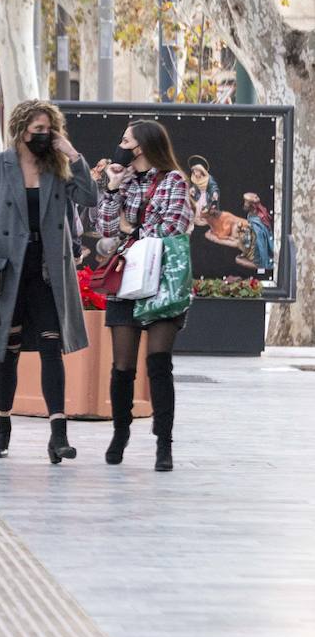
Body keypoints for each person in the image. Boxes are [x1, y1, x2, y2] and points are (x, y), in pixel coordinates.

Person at [0, 100, 96, 462]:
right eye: (37, 130)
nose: (43, 136)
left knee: (51, 346)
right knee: (7, 353)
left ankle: (58, 434)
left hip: (47, 270)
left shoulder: (57, 167)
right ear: (21, 129)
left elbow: (91, 197)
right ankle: (2, 425)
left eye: (49, 129)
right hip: (8, 271)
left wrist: (72, 154)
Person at [94, 120, 193, 472]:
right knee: (122, 366)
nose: (120, 146)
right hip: (128, 279)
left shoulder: (174, 181)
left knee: (159, 362)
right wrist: (112, 189)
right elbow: (105, 229)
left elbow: (173, 226)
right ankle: (120, 432)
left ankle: (163, 443)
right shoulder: (126, 181)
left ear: (143, 146)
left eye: (126, 141)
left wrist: (131, 231)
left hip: (163, 280)